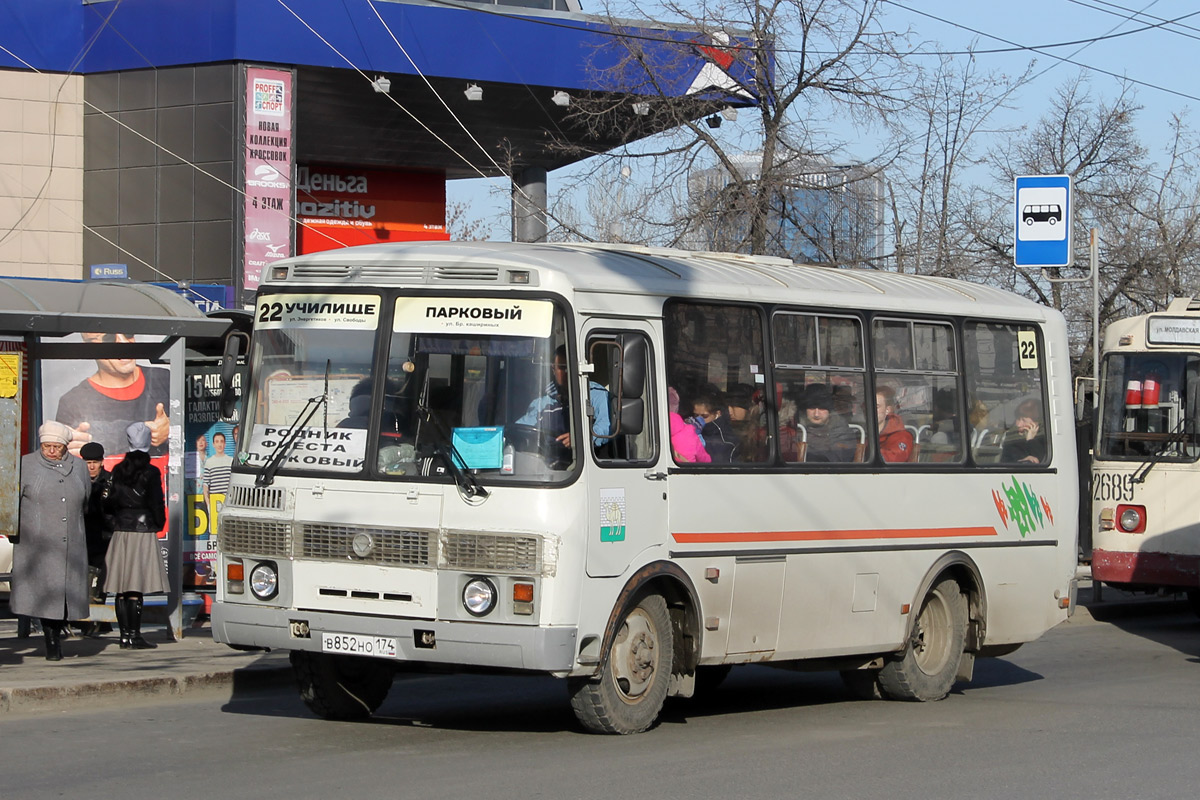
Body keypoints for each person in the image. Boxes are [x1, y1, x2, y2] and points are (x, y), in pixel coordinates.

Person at [10, 421, 91, 661]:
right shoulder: (25, 465)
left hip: (72, 542)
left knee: (65, 595)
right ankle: (52, 642)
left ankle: (57, 636)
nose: (52, 451)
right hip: (38, 544)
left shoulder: (79, 467)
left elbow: (85, 499)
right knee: (46, 594)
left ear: (66, 446)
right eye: (47, 447)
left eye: (57, 447)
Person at [55, 332, 170, 459]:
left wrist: (173, 429)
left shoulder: (166, 380)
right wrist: (69, 452)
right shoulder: (72, 402)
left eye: (128, 333)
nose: (124, 343)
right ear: (88, 348)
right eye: (109, 338)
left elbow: (193, 436)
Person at [104, 422, 168, 650]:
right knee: (136, 585)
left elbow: (108, 501)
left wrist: (115, 521)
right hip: (142, 529)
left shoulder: (118, 470)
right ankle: (135, 635)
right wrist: (158, 523)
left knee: (121, 587)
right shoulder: (151, 472)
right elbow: (156, 502)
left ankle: (124, 635)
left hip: (122, 530)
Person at [517, 345, 612, 457]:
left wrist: (580, 438)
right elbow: (522, 429)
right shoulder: (541, 404)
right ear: (553, 369)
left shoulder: (597, 395)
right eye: (562, 368)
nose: (567, 373)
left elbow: (606, 426)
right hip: (547, 465)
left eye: (571, 367)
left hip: (586, 462)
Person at [81, 441, 114, 605]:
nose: (92, 467)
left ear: (102, 462)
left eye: (95, 462)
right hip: (82, 536)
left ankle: (100, 616)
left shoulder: (110, 481)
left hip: (104, 538)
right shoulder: (78, 481)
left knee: (102, 579)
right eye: (88, 463)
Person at [802, 384, 857, 462]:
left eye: (822, 408)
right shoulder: (798, 428)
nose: (816, 414)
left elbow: (837, 459)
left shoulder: (841, 431)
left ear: (829, 410)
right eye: (812, 408)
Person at [691, 390, 737, 462]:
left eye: (704, 416)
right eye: (696, 415)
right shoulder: (690, 431)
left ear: (717, 414)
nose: (699, 420)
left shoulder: (727, 440)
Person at [668, 387, 710, 463]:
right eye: (696, 415)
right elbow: (705, 460)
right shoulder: (690, 433)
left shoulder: (652, 429)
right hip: (687, 472)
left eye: (704, 416)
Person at [1001, 398, 1048, 464]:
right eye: (1018, 419)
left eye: (1024, 420)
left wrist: (1031, 441)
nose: (1019, 424)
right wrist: (1021, 462)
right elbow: (1005, 462)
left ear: (1037, 423)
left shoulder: (1046, 439)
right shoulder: (1013, 438)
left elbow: (1043, 460)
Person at [876, 385, 914, 463]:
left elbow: (894, 459)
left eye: (876, 407)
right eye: (866, 405)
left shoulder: (901, 436)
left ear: (888, 410)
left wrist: (869, 453)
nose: (868, 409)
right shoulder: (860, 433)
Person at [202, 430, 234, 513]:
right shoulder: (209, 462)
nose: (219, 444)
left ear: (225, 444)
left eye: (221, 441)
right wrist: (209, 505)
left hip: (229, 502)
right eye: (217, 442)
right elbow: (206, 486)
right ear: (213, 444)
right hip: (215, 503)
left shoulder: (231, 461)